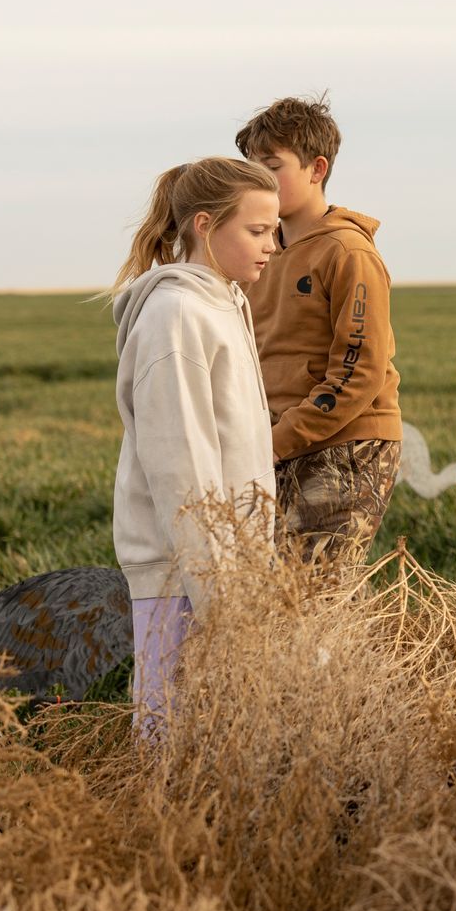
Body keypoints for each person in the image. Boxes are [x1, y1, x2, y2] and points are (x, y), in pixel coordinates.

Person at [110, 157, 280, 738]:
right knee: (169, 734)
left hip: (224, 568)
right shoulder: (176, 314)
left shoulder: (223, 303)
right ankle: (152, 829)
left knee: (218, 735)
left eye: (274, 230)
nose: (271, 246)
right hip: (184, 574)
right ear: (205, 226)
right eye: (256, 231)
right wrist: (220, 597)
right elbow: (183, 470)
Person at [234, 95, 403, 564]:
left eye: (272, 166)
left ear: (316, 168)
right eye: (251, 167)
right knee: (266, 594)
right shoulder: (259, 255)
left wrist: (278, 441)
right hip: (274, 442)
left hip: (346, 444)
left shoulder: (348, 252)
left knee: (313, 599)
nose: (259, 180)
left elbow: (359, 371)